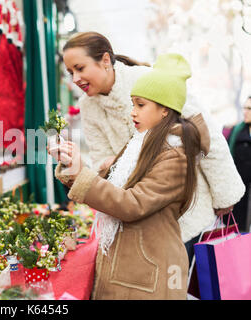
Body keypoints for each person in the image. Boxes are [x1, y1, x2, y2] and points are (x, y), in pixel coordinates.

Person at [62, 32, 245, 263]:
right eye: (70, 73)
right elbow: (102, 159)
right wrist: (105, 166)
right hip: (141, 212)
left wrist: (224, 195)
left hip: (187, 204)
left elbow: (206, 135)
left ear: (106, 60)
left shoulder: (150, 79)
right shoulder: (88, 106)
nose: (76, 78)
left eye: (80, 68)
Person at [50, 53, 210, 299]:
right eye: (133, 103)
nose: (132, 112)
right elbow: (108, 185)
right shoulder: (141, 143)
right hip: (133, 268)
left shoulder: (175, 155)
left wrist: (82, 173)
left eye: (141, 105)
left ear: (165, 110)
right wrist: (72, 167)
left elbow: (130, 204)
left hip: (149, 273)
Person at [227, 96, 251, 232]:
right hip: (238, 196)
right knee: (237, 235)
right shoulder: (236, 131)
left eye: (249, 108)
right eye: (244, 108)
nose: (245, 112)